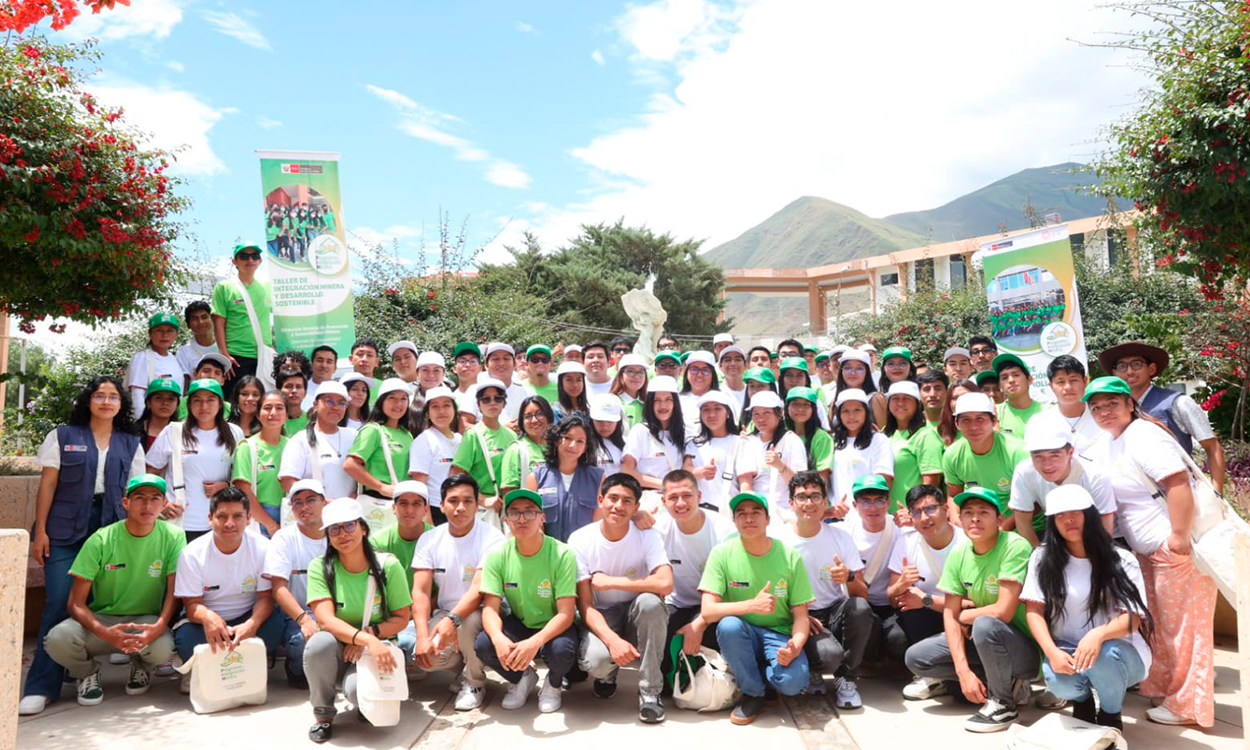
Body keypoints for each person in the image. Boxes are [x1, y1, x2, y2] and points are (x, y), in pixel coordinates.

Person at [1084, 375, 1218, 726]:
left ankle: (1187, 707)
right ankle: (1165, 691)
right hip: (1149, 552)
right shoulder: (1112, 441)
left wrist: (1178, 537)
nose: (1103, 411)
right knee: (1162, 628)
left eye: (1112, 403)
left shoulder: (1144, 434)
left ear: (1130, 403)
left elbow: (1177, 483)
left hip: (1172, 549)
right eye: (1096, 406)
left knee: (1184, 632)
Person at [903, 487, 1040, 733]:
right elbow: (949, 612)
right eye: (968, 513)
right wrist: (963, 671)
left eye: (983, 512)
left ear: (999, 519)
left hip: (1024, 651)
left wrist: (963, 616)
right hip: (984, 640)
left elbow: (1002, 612)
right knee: (916, 658)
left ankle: (1004, 705)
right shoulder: (959, 553)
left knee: (986, 623)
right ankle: (995, 680)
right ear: (960, 518)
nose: (974, 518)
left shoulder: (1014, 545)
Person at [43, 474, 185, 707]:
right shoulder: (101, 539)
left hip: (144, 621)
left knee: (163, 647)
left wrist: (159, 626)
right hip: (101, 621)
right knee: (57, 639)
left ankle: (141, 667)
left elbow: (173, 592)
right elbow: (75, 603)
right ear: (125, 503)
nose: (147, 505)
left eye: (155, 498)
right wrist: (105, 632)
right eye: (139, 498)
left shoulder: (173, 536)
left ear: (164, 504)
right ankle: (87, 673)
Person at [1021, 485, 1154, 731]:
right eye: (1059, 515)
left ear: (1090, 515)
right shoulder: (1042, 557)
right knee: (1055, 677)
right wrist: (1051, 652)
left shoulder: (1121, 559)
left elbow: (1133, 619)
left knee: (1102, 655)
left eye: (1075, 512)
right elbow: (1034, 610)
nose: (1068, 519)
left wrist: (1098, 634)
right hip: (1067, 649)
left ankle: (1110, 713)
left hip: (1120, 653)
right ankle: (1082, 703)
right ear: (1051, 522)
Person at [699, 491, 812, 726]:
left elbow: (801, 615)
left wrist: (795, 645)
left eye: (756, 513)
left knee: (793, 684)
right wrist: (751, 605)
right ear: (734, 520)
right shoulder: (722, 553)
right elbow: (708, 611)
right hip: (743, 632)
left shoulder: (790, 556)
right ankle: (753, 693)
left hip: (779, 633)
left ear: (768, 519)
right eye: (742, 514)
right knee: (728, 625)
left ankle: (764, 678)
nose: (749, 519)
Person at [304, 499, 413, 742]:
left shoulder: (388, 566)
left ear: (363, 528)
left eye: (349, 526)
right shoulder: (319, 567)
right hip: (339, 647)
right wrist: (365, 639)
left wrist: (370, 638)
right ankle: (323, 714)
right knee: (318, 643)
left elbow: (402, 618)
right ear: (328, 537)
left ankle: (366, 702)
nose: (343, 534)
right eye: (335, 529)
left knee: (356, 691)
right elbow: (326, 620)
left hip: (376, 646)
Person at [570, 474, 673, 723]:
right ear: (600, 500)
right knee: (597, 662)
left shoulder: (648, 535)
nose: (619, 505)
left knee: (651, 603)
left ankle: (650, 693)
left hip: (636, 611)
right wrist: (613, 641)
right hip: (602, 614)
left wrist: (611, 581)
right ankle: (608, 674)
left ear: (636, 507)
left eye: (627, 501)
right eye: (613, 498)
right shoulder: (580, 540)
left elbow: (666, 583)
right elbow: (585, 605)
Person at [475, 489, 580, 713]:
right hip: (521, 621)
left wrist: (534, 644)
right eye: (515, 513)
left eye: (530, 512)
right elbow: (490, 608)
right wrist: (498, 638)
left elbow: (566, 613)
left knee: (562, 650)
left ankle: (552, 685)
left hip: (555, 623)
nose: (522, 519)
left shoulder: (562, 554)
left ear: (542, 517)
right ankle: (522, 678)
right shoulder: (497, 554)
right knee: (485, 644)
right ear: (506, 521)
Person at [172, 487, 283, 694]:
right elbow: (191, 604)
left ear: (248, 519)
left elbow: (266, 597)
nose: (229, 523)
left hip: (247, 615)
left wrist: (252, 623)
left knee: (275, 627)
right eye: (222, 516)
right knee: (186, 640)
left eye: (237, 516)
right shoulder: (192, 554)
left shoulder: (263, 547)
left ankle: (244, 665)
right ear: (209, 518)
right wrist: (208, 617)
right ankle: (199, 667)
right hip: (209, 621)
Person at [774, 472, 870, 706]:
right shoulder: (778, 541)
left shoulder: (841, 537)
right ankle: (813, 669)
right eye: (802, 497)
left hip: (832, 610)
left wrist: (847, 577)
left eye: (816, 497)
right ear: (791, 503)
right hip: (796, 616)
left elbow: (862, 593)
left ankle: (846, 678)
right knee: (829, 656)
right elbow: (774, 592)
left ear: (825, 502)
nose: (809, 503)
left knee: (860, 608)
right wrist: (800, 615)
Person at [410, 475, 504, 710]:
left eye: (467, 501)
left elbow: (479, 590)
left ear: (477, 504)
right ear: (441, 505)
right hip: (445, 612)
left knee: (468, 622)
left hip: (483, 611)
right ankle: (466, 667)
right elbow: (420, 592)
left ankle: (474, 683)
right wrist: (422, 637)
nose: (460, 507)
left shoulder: (492, 537)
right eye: (453, 501)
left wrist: (452, 621)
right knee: (426, 658)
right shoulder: (429, 539)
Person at [1097, 340, 1226, 492]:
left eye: (1136, 364)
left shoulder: (1178, 403)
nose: (1129, 371)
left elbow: (1212, 447)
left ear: (1151, 369)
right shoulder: (1110, 411)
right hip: (1134, 497)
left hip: (1179, 491)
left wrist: (1217, 493)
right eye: (1122, 366)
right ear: (1115, 374)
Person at [652, 470, 735, 679]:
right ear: (663, 501)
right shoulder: (658, 528)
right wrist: (638, 514)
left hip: (716, 604)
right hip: (676, 603)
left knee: (720, 636)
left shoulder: (723, 529)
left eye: (687, 495)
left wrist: (699, 623)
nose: (680, 503)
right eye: (673, 497)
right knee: (662, 639)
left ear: (699, 496)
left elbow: (729, 587)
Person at [888, 484, 969, 699]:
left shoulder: (967, 543)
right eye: (916, 512)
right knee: (904, 616)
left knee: (961, 698)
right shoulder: (906, 542)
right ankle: (930, 676)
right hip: (924, 619)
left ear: (946, 509)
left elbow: (974, 605)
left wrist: (926, 599)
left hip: (962, 618)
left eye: (930, 509)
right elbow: (893, 598)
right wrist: (901, 585)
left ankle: (951, 676)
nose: (924, 518)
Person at [146, 379, 245, 543]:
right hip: (179, 522)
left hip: (222, 522)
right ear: (189, 404)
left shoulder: (235, 433)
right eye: (197, 400)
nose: (203, 406)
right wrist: (163, 503)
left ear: (220, 404)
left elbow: (242, 474)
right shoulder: (174, 431)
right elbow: (150, 472)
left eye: (210, 400)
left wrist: (226, 485)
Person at [263, 479, 328, 689]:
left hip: (335, 612)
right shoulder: (283, 538)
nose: (304, 507)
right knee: (302, 642)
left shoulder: (338, 534)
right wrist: (304, 620)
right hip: (298, 614)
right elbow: (278, 589)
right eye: (297, 502)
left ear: (324, 503)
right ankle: (296, 671)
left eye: (311, 500)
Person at [1009, 420, 1116, 547]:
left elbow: (1105, 527)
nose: (1047, 465)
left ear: (1070, 453)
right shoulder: (1024, 472)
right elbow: (1023, 523)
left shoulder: (1095, 476)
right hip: (1055, 535)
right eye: (1038, 456)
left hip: (1097, 537)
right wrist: (1038, 558)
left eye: (1054, 456)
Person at [846, 476, 907, 670]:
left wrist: (914, 521)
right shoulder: (845, 531)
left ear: (888, 503)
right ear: (855, 505)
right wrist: (826, 513)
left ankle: (895, 662)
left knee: (898, 639)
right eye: (865, 501)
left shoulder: (901, 529)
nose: (873, 508)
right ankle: (867, 661)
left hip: (892, 602)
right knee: (864, 620)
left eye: (879, 501)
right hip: (861, 603)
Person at [942, 393, 1029, 528]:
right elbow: (953, 495)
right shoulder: (952, 455)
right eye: (966, 420)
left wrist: (1000, 530)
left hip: (1021, 528)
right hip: (978, 530)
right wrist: (956, 519)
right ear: (956, 423)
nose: (973, 426)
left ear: (994, 421)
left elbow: (1032, 500)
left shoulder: (1017, 452)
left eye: (980, 419)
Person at [344, 378, 416, 528]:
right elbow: (350, 464)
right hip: (377, 502)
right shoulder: (373, 430)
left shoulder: (406, 433)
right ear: (381, 401)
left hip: (401, 502)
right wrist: (381, 487)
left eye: (403, 399)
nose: (399, 404)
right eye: (392, 398)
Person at [526, 416, 607, 542]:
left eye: (580, 441)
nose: (573, 445)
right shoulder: (536, 478)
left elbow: (597, 524)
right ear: (556, 440)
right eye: (567, 438)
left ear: (585, 447)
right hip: (548, 552)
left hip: (584, 553)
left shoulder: (597, 478)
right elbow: (534, 523)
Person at [451, 377, 517, 520]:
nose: (492, 403)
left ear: (504, 403)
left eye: (498, 399)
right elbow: (456, 474)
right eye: (486, 399)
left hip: (508, 507)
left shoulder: (512, 435)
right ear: (478, 405)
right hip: (484, 510)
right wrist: (482, 500)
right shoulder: (473, 434)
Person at [279, 381, 358, 502]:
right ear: (315, 404)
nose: (335, 407)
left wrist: (356, 495)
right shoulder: (300, 440)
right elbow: (287, 481)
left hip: (348, 513)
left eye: (341, 403)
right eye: (329, 401)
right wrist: (319, 501)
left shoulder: (354, 435)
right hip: (314, 515)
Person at [212, 243, 272, 397]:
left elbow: (281, 318)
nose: (250, 260)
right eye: (244, 256)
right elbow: (218, 322)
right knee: (235, 405)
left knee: (262, 405)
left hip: (263, 357)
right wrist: (224, 354)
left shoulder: (267, 286)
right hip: (236, 358)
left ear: (260, 261)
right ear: (234, 261)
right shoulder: (224, 287)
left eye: (254, 256)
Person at [622, 376, 692, 505]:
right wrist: (666, 485)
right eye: (657, 400)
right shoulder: (641, 431)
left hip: (677, 500)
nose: (663, 405)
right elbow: (627, 470)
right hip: (650, 499)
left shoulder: (685, 431)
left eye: (668, 400)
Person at [738, 390, 807, 520]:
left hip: (786, 513)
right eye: (756, 414)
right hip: (757, 513)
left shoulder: (791, 440)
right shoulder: (748, 441)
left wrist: (780, 466)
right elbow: (745, 483)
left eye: (767, 413)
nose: (761, 419)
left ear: (780, 413)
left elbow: (800, 484)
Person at [828, 389, 893, 519]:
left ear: (866, 412)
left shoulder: (879, 440)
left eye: (857, 410)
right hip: (837, 516)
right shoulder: (832, 441)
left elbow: (884, 480)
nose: (851, 416)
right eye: (845, 411)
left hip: (868, 517)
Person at [232, 390, 289, 536]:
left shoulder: (294, 446)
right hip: (257, 518)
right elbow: (243, 491)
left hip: (289, 516)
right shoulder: (247, 447)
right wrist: (270, 525)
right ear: (258, 415)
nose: (273, 413)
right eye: (267, 408)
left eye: (279, 408)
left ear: (287, 416)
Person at [885, 381, 943, 518]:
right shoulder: (886, 435)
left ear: (918, 404)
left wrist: (915, 513)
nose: (900, 403)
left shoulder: (926, 435)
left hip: (911, 517)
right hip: (885, 517)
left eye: (906, 398)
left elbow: (931, 483)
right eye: (895, 399)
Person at [1027, 355, 1104, 454]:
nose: (1067, 387)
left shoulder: (1104, 417)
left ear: (1085, 381)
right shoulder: (1038, 423)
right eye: (1060, 382)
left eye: (1073, 380)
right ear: (1051, 386)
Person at [407, 386, 461, 524]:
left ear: (454, 410)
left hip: (459, 508)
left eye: (446, 405)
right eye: (435, 407)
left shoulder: (460, 439)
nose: (441, 411)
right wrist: (427, 522)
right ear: (428, 413)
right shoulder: (424, 441)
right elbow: (419, 487)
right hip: (436, 510)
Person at [688, 390, 744, 515]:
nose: (711, 414)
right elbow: (685, 470)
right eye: (706, 410)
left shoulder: (740, 442)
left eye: (717, 409)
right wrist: (700, 472)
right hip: (699, 512)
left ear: (728, 413)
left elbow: (745, 482)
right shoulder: (693, 444)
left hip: (728, 513)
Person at [126, 312, 185, 418]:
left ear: (176, 334)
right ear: (150, 333)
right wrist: (141, 426)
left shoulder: (174, 359)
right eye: (159, 330)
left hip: (170, 422)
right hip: (149, 422)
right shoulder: (142, 357)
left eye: (170, 331)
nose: (165, 335)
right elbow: (137, 396)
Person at [785, 386, 833, 487]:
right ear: (787, 407)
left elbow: (823, 477)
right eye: (795, 404)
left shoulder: (821, 438)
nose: (800, 409)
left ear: (813, 409)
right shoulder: (780, 434)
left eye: (806, 405)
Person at [992, 354, 1042, 439]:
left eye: (1016, 375)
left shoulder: (1048, 411)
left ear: (1029, 380)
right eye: (1004, 378)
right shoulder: (995, 413)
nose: (1011, 380)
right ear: (1000, 387)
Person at [836, 349, 887, 428]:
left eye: (859, 368)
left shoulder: (875, 399)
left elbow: (885, 431)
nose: (853, 373)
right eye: (847, 368)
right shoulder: (834, 401)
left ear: (867, 372)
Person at [176, 301, 218, 394]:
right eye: (195, 319)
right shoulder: (184, 352)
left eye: (204, 317)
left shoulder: (224, 348)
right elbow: (184, 384)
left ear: (212, 319)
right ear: (188, 325)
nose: (200, 322)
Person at [177, 352, 234, 420]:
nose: (211, 376)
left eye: (217, 373)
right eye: (206, 371)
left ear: (223, 381)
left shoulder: (229, 408)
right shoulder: (180, 404)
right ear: (195, 375)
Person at [482, 342, 528, 422]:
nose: (501, 363)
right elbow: (464, 426)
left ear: (514, 364)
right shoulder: (474, 392)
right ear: (486, 365)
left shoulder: (527, 392)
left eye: (506, 359)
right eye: (496, 359)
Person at [679, 351, 720, 438]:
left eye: (705, 371)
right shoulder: (677, 400)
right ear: (687, 373)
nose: (699, 375)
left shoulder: (723, 399)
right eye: (694, 370)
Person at [136, 378, 181, 453]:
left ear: (177, 405)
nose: (165, 403)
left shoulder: (183, 433)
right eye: (159, 398)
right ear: (148, 403)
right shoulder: (134, 431)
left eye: (171, 399)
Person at [590, 395, 627, 479]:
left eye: (610, 421)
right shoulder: (584, 444)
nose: (605, 426)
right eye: (600, 420)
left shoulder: (628, 443)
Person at [610, 353, 648, 429]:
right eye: (631, 371)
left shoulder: (648, 403)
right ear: (621, 374)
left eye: (641, 372)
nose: (637, 376)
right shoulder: (612, 402)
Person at [451, 341, 483, 428]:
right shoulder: (451, 399)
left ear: (480, 368)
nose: (468, 365)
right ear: (454, 368)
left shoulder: (488, 395)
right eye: (462, 361)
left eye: (473, 361)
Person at [301, 345, 339, 411]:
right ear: (311, 364)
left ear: (335, 368)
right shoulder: (301, 388)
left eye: (329, 362)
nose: (324, 365)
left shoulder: (341, 390)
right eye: (319, 360)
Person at [276, 367, 309, 437]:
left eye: (298, 387)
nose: (294, 391)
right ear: (278, 391)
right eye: (289, 386)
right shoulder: (272, 420)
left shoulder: (312, 422)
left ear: (305, 393)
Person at [718, 345, 748, 416]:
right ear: (720, 366)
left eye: (738, 360)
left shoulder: (752, 392)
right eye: (728, 360)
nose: (733, 363)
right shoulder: (717, 393)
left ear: (745, 365)